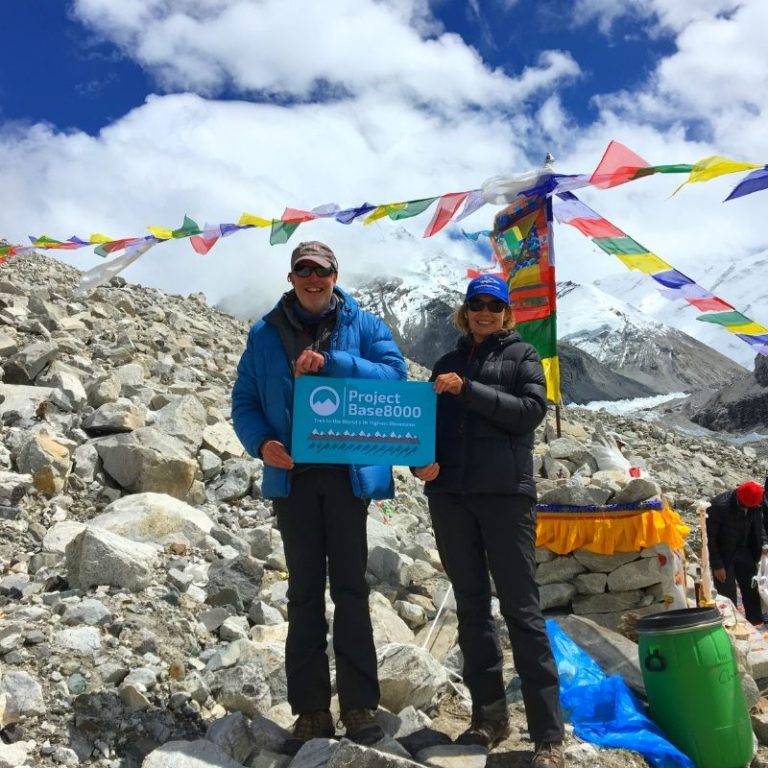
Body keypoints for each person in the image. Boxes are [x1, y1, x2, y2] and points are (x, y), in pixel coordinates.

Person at [231, 241, 406, 755]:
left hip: (348, 473)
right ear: (291, 277)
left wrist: (336, 362)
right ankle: (310, 711)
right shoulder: (263, 333)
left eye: (321, 271)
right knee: (304, 593)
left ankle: (359, 705)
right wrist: (261, 442)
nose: (312, 278)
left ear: (335, 275)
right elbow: (244, 400)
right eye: (303, 270)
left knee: (350, 589)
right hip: (296, 478)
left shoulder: (365, 325)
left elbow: (395, 377)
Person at [414, 274, 565, 768]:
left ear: (505, 313)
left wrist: (470, 390)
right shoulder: (446, 362)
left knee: (522, 612)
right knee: (473, 608)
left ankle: (547, 734)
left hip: (505, 498)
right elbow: (427, 426)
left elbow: (529, 413)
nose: (484, 312)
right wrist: (421, 462)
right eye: (476, 304)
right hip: (451, 497)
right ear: (465, 310)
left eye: (493, 305)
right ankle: (489, 717)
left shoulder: (523, 358)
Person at [707, 480, 767, 626]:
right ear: (739, 498)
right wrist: (717, 565)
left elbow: (759, 527)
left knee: (751, 587)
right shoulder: (719, 506)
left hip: (744, 551)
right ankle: (730, 625)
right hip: (724, 554)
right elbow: (711, 538)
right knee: (727, 593)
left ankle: (755, 622)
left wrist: (764, 544)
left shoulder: (755, 504)